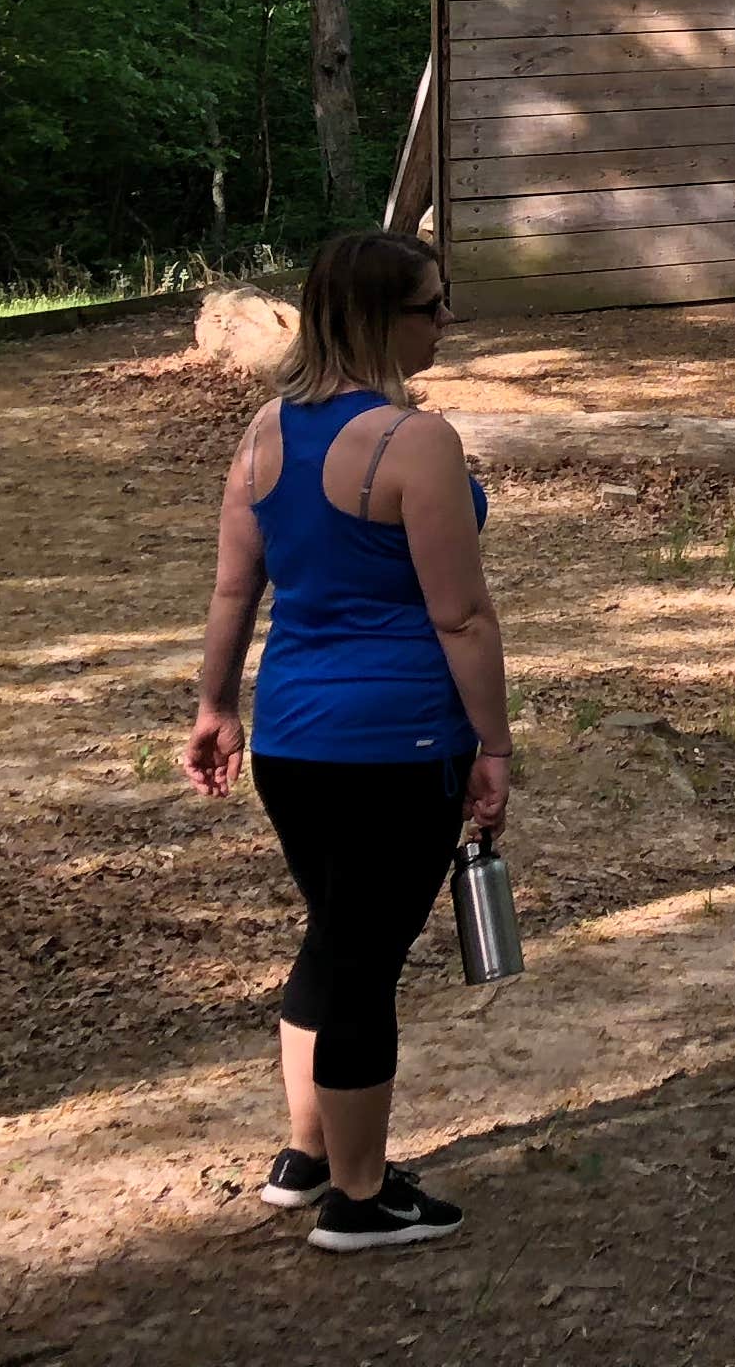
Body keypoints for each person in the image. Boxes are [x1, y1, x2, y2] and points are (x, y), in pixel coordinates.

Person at [184, 230, 508, 1254]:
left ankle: (308, 1154)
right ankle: (362, 1200)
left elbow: (238, 586)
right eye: (431, 305)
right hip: (398, 741)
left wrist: (215, 706)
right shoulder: (416, 444)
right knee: (364, 962)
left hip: (295, 740)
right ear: (379, 320)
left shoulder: (265, 434)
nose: (445, 321)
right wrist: (493, 747)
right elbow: (461, 617)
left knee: (334, 938)